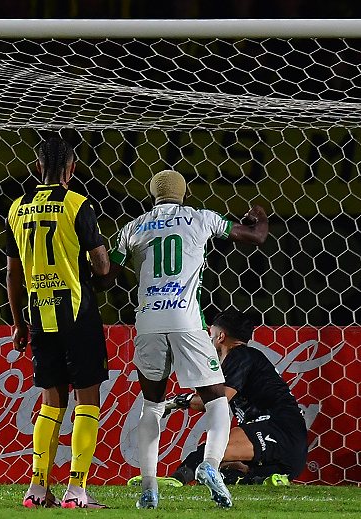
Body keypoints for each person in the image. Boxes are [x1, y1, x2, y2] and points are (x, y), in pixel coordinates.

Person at [99, 169, 268, 509]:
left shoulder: (132, 228)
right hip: (186, 321)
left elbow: (104, 279)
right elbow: (255, 237)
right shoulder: (200, 218)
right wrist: (260, 218)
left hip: (148, 323)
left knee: (152, 405)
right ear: (185, 194)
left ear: (153, 196)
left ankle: (149, 488)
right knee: (217, 401)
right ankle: (210, 464)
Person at [5, 137, 112, 509]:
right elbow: (102, 265)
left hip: (38, 312)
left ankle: (37, 488)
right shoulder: (78, 204)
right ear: (72, 168)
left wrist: (18, 323)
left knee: (51, 402)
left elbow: (13, 273)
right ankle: (76, 490)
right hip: (76, 310)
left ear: (37, 167)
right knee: (87, 399)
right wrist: (101, 267)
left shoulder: (17, 208)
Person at [165, 309, 308, 486]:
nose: (209, 339)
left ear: (221, 336)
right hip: (290, 451)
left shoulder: (240, 355)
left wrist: (178, 401)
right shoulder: (245, 358)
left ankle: (174, 482)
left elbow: (216, 401)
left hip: (277, 429)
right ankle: (267, 479)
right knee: (220, 474)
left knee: (209, 452)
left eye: (211, 334)